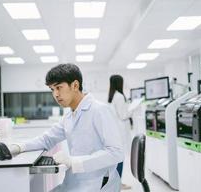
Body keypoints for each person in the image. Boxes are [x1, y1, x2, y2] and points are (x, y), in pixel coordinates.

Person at [10, 63, 124, 192]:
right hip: (75, 182)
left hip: (97, 184)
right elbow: (47, 139)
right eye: (52, 90)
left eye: (58, 87)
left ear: (75, 85)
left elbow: (116, 153)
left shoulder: (99, 110)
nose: (55, 94)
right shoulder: (69, 116)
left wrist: (74, 162)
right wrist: (19, 147)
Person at [108, 75, 133, 190]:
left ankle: (116, 182)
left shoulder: (112, 96)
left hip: (115, 131)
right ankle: (118, 183)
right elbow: (123, 115)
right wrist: (133, 109)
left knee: (117, 159)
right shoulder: (119, 96)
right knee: (119, 159)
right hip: (120, 132)